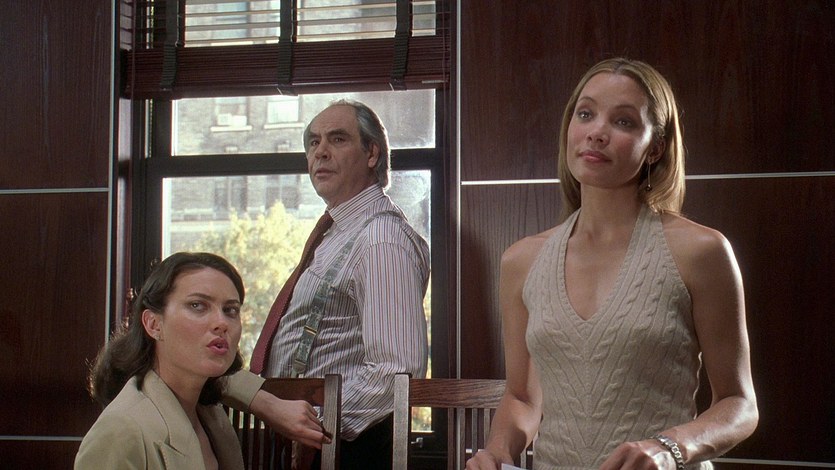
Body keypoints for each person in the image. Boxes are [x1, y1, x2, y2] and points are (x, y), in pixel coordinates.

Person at [466, 58, 758, 470]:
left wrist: (670, 448)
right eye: (585, 114)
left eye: (623, 121)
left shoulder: (701, 251)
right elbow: (522, 397)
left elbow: (739, 404)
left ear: (655, 147)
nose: (597, 132)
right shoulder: (521, 261)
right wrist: (498, 452)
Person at [223, 99, 431, 469]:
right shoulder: (339, 231)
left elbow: (395, 371)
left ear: (372, 154)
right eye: (313, 142)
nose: (320, 152)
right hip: (311, 444)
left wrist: (313, 425)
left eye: (337, 139)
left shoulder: (381, 238)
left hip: (344, 451)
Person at [75, 252, 324, 469]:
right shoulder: (121, 430)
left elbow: (227, 380)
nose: (221, 323)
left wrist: (265, 402)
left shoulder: (209, 413)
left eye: (230, 310)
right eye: (197, 305)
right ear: (153, 324)